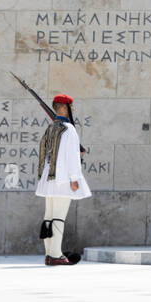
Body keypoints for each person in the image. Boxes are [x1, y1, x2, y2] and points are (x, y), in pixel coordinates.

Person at [35, 93, 90, 266]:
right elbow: (72, 157)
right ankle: (56, 254)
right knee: (58, 217)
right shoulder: (69, 129)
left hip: (49, 179)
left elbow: (44, 153)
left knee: (49, 217)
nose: (73, 110)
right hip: (63, 179)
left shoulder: (51, 128)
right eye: (71, 107)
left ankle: (49, 253)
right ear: (64, 108)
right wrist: (75, 179)